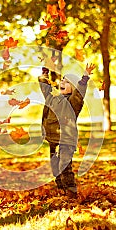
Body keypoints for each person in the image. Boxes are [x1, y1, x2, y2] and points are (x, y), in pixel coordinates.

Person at [39, 64, 95, 197]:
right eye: (62, 80)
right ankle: (60, 187)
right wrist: (44, 74)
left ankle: (71, 190)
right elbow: (45, 89)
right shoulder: (53, 98)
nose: (62, 82)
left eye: (67, 82)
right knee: (55, 165)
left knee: (64, 165)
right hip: (53, 138)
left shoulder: (73, 102)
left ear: (73, 88)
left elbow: (80, 93)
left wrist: (84, 78)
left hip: (66, 139)